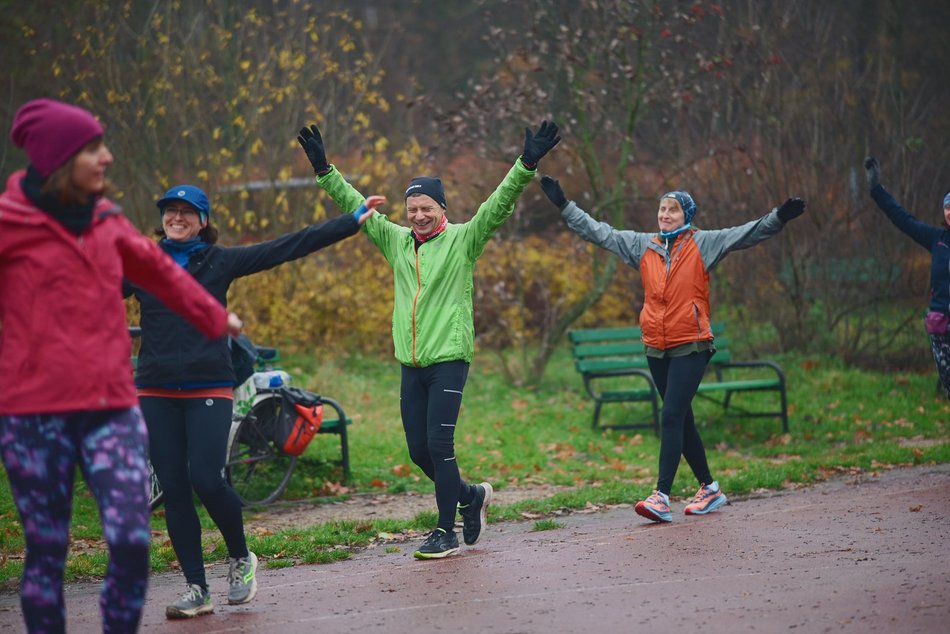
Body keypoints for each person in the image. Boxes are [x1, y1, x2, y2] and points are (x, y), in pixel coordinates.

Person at [0, 98, 240, 633]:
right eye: (93, 148)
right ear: (60, 158)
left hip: (111, 405)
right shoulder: (10, 225)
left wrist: (212, 317)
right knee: (45, 551)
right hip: (33, 414)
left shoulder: (108, 219)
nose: (107, 157)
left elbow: (160, 272)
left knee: (132, 540)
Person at [298, 119, 560, 558]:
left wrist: (526, 163)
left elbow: (499, 203)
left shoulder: (463, 240)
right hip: (411, 363)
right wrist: (325, 169)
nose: (419, 215)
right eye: (412, 208)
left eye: (427, 208)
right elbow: (357, 205)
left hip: (449, 359)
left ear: (442, 208)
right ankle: (471, 496)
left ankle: (445, 530)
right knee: (419, 451)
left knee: (440, 446)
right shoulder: (395, 240)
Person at [126, 182, 382, 618]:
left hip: (208, 385)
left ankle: (241, 557)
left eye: (188, 212)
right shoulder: (144, 264)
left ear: (203, 221)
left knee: (207, 477)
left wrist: (350, 222)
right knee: (173, 486)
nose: (178, 218)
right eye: (171, 211)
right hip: (155, 387)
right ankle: (196, 587)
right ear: (162, 218)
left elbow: (285, 247)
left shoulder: (219, 260)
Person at [539, 175, 806, 523]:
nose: (665, 214)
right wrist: (564, 205)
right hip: (656, 347)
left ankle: (661, 495)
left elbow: (747, 233)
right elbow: (598, 232)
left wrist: (779, 216)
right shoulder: (643, 246)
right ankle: (710, 488)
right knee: (682, 418)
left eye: (673, 210)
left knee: (670, 416)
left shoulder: (703, 244)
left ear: (687, 215)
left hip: (692, 344)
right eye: (662, 209)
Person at [864, 156, 950, 400]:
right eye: (947, 207)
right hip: (941, 325)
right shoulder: (938, 239)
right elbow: (903, 220)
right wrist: (876, 190)